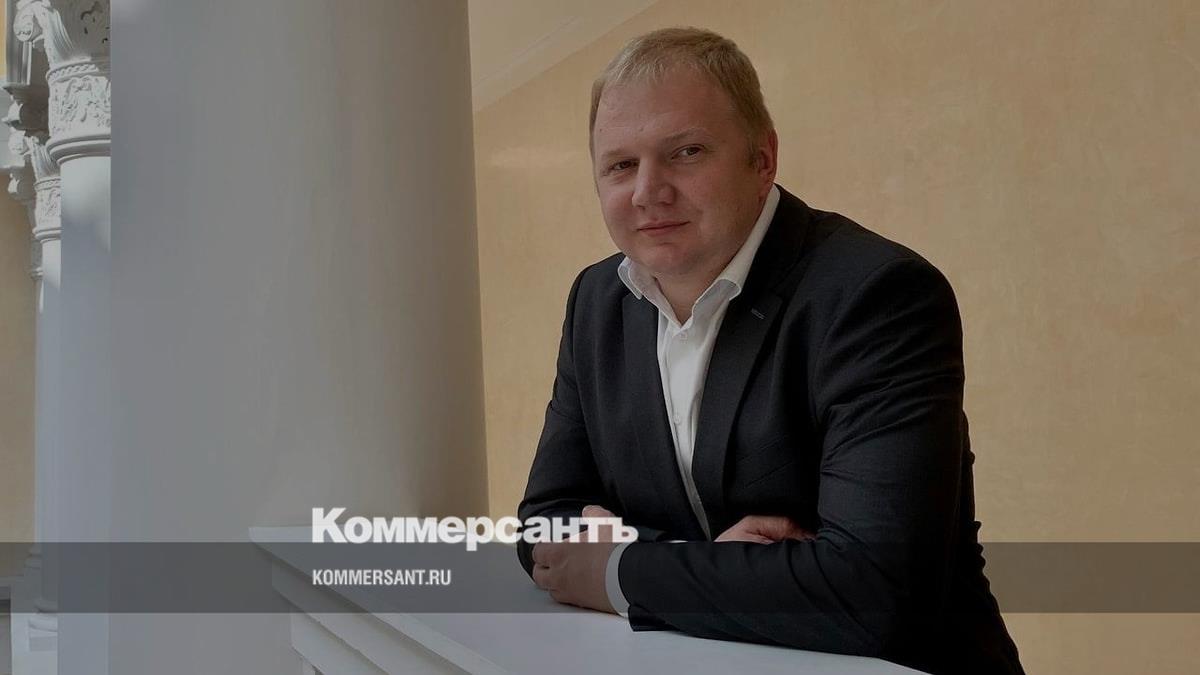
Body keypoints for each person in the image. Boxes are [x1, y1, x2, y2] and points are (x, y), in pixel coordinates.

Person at [516, 27, 1024, 675]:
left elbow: (872, 593)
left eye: (686, 152)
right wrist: (700, 562)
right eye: (620, 165)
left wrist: (619, 568)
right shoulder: (596, 301)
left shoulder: (876, 295)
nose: (647, 191)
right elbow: (545, 524)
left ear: (763, 159)